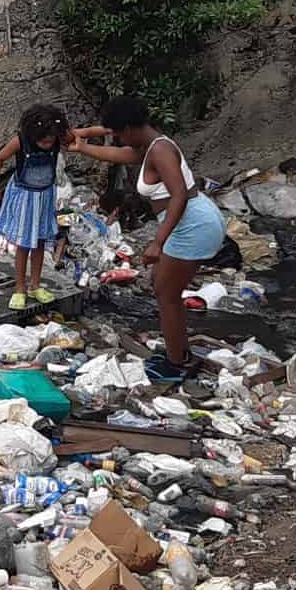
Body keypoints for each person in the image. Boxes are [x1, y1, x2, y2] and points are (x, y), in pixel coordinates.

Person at [67, 96, 226, 382]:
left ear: (129, 128)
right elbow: (123, 156)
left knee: (166, 294)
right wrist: (82, 147)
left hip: (192, 224)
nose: (116, 139)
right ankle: (180, 355)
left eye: (117, 133)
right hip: (187, 222)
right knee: (165, 290)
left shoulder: (161, 150)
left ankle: (176, 364)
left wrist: (158, 242)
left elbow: (178, 195)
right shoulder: (150, 146)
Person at [0, 104, 70, 312]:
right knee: (24, 244)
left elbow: (81, 134)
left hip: (44, 197)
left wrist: (106, 130)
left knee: (40, 241)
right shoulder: (20, 142)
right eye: (43, 140)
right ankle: (20, 288)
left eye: (51, 140)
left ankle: (35, 285)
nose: (47, 144)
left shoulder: (57, 139)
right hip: (25, 197)